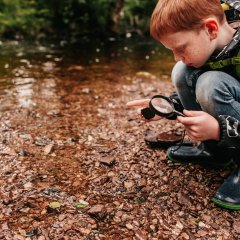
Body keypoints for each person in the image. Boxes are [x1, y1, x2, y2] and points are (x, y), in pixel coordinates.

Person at [127, 0, 240, 210]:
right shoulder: (212, 42)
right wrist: (167, 105)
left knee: (211, 83)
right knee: (181, 71)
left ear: (211, 29)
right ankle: (215, 152)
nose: (177, 56)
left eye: (180, 48)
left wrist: (219, 129)